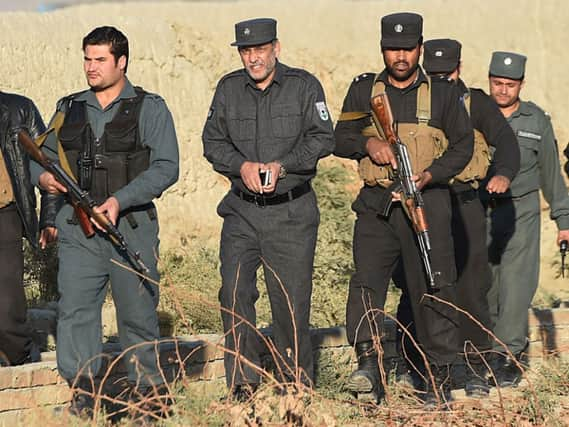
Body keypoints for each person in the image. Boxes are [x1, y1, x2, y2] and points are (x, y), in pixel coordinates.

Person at [32, 26, 179, 418]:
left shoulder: (150, 107)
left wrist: (120, 200)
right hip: (77, 231)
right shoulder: (68, 108)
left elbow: (167, 167)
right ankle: (83, 398)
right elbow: (40, 159)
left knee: (137, 315)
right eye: (87, 59)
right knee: (76, 313)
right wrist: (42, 179)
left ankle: (149, 401)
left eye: (99, 60)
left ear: (121, 62)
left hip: (129, 228)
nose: (91, 67)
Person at [334, 13, 474, 407]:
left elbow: (463, 146)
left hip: (426, 202)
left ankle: (440, 378)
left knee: (434, 284)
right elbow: (339, 137)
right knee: (365, 285)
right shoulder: (364, 91)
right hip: (377, 206)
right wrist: (369, 146)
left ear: (420, 49)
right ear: (383, 49)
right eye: (393, 49)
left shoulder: (443, 95)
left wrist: (431, 174)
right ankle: (367, 368)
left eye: (408, 49)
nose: (400, 56)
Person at [202, 18, 334, 400]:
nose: (253, 58)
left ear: (276, 47)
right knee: (234, 293)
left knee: (290, 303)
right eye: (245, 51)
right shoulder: (228, 89)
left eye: (259, 50)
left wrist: (284, 166)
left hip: (291, 214)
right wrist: (240, 166)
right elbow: (212, 141)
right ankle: (243, 385)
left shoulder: (304, 86)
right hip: (241, 212)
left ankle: (296, 388)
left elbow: (323, 138)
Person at [393, 39, 520, 397]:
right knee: (420, 286)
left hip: (464, 201)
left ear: (459, 70)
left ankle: (478, 367)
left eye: (446, 75)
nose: (441, 81)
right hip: (425, 203)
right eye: (433, 75)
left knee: (470, 285)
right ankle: (417, 366)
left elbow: (506, 143)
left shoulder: (474, 102)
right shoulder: (415, 100)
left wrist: (504, 174)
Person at [482, 51, 569, 387]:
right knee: (485, 286)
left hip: (522, 211)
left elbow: (551, 174)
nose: (503, 90)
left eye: (510, 84)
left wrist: (563, 220)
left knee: (516, 286)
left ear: (521, 84)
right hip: (482, 210)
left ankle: (508, 356)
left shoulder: (536, 120)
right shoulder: (475, 114)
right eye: (497, 83)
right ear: (489, 81)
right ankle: (486, 352)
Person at [0, 92, 59, 367]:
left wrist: (48, 218)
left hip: (5, 214)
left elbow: (48, 165)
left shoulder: (18, 109)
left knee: (8, 308)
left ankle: (20, 361)